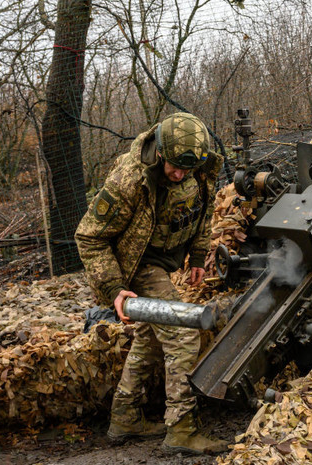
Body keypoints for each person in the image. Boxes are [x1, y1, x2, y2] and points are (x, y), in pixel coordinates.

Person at [75, 112, 228, 455]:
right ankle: (182, 431)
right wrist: (114, 289)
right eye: (175, 167)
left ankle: (125, 417)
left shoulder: (201, 162)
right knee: (184, 333)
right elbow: (89, 238)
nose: (181, 174)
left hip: (167, 258)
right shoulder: (128, 180)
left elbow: (203, 209)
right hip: (137, 264)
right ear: (159, 153)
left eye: (188, 169)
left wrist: (199, 252)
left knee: (148, 337)